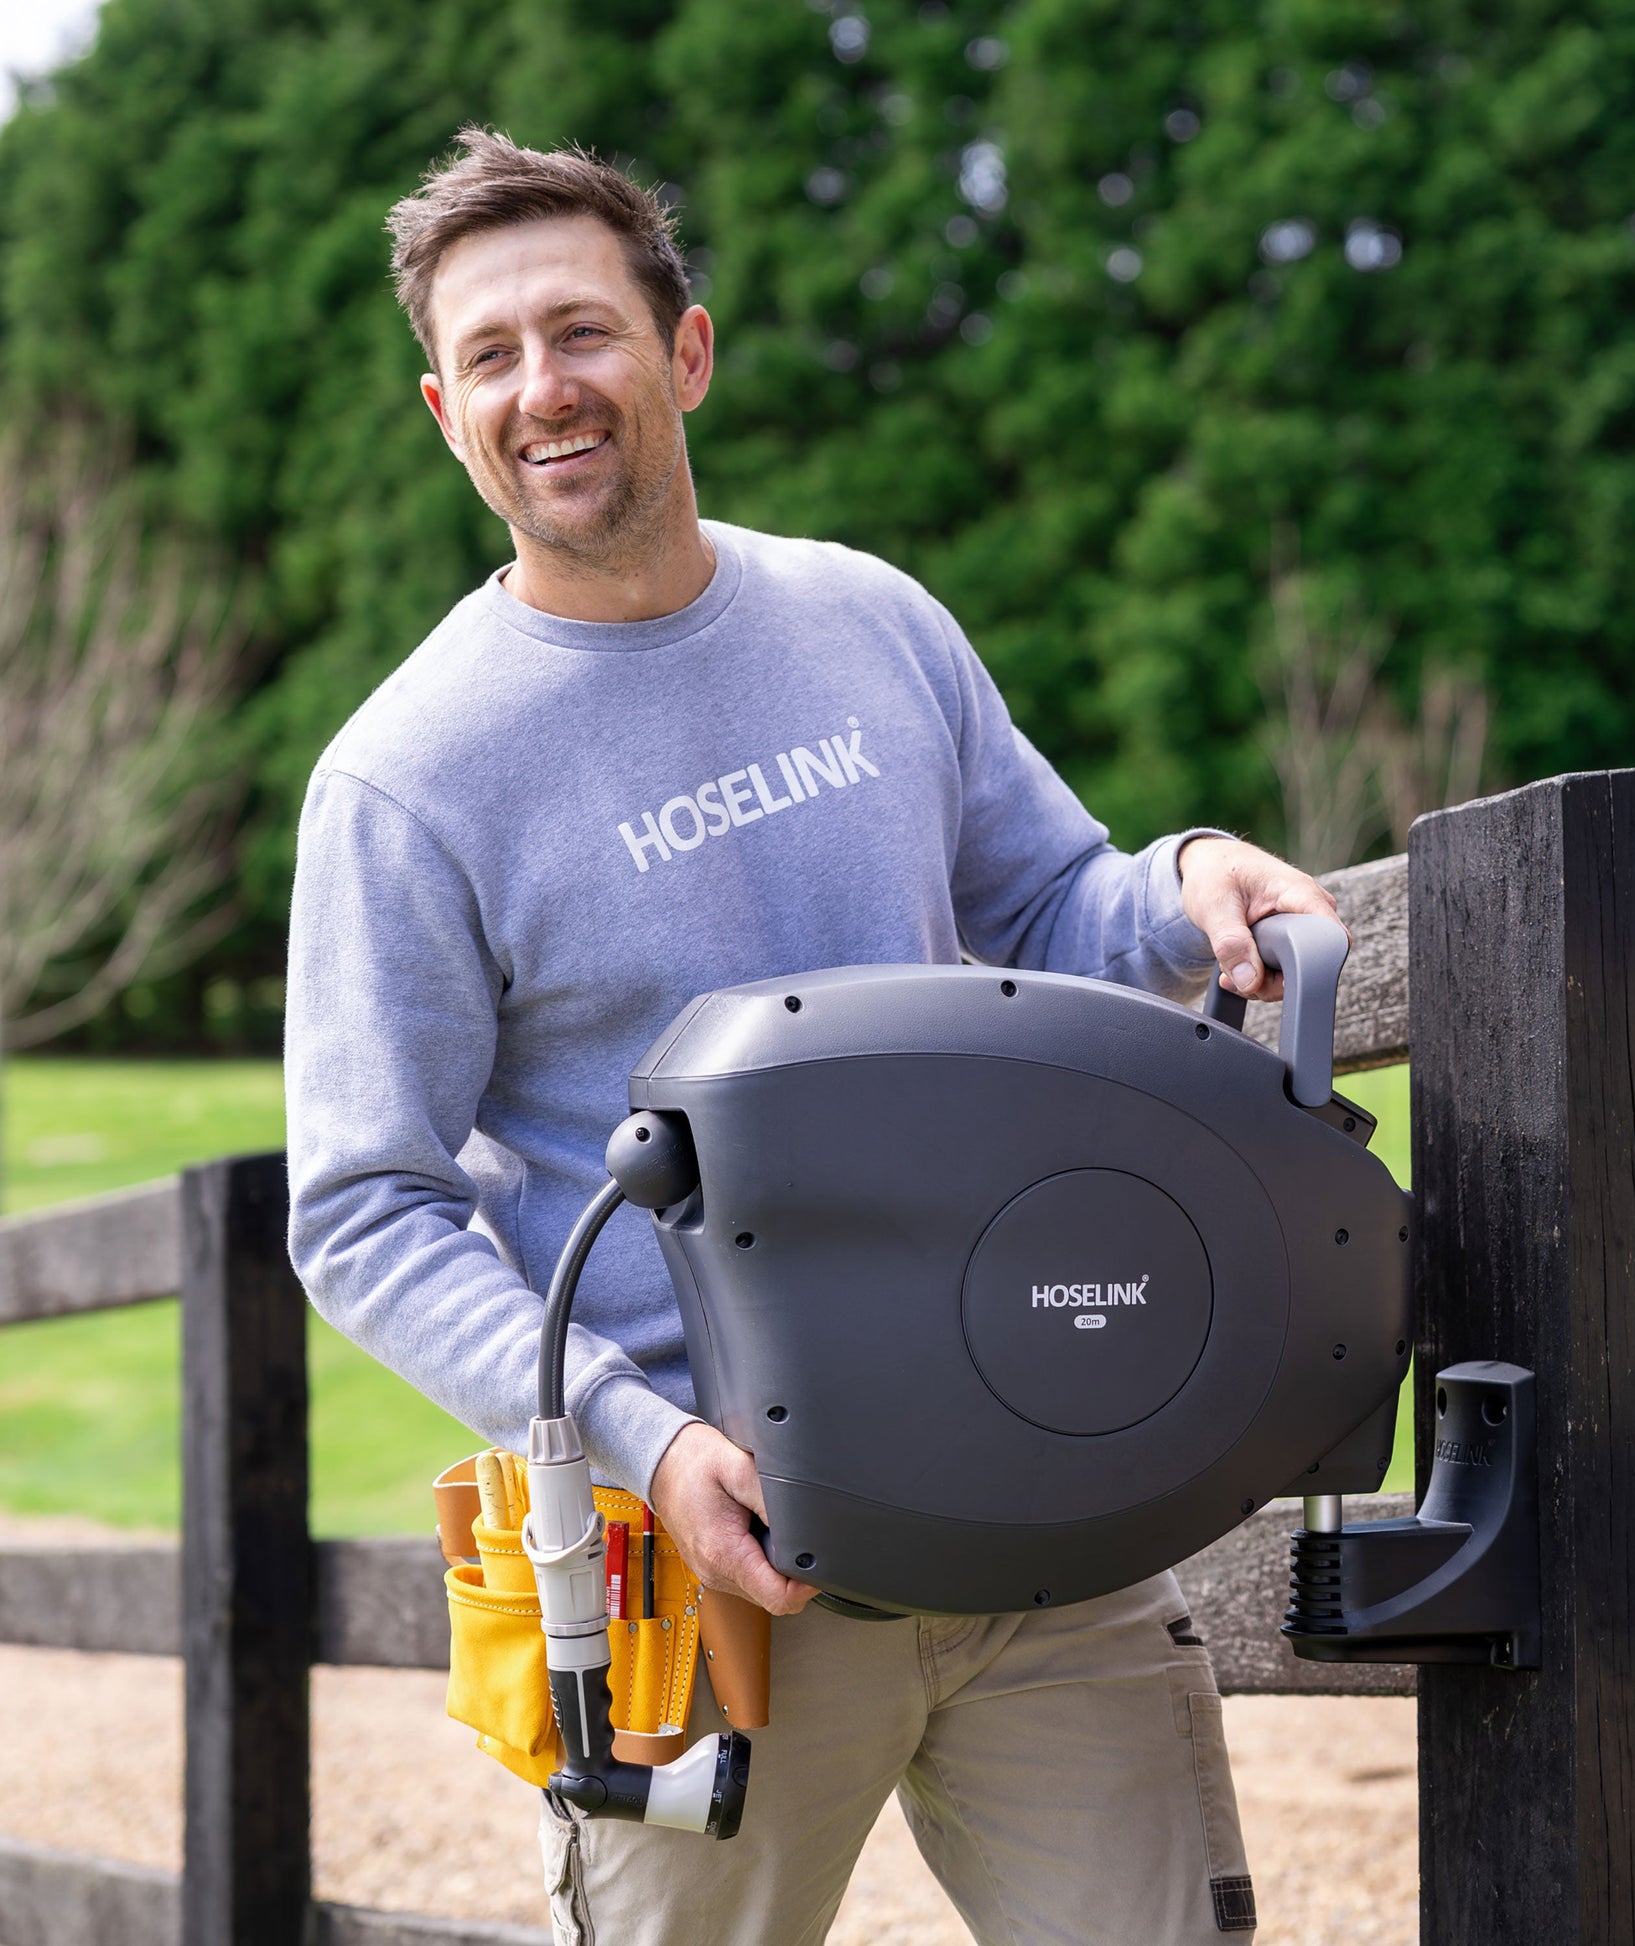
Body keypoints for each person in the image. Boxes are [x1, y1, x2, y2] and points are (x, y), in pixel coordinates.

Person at [286, 128, 1343, 1946]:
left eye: (582, 331)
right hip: (716, 1566)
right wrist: (636, 1440)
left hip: (1042, 1483)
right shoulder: (406, 780)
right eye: (490, 357)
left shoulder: (871, 620)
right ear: (443, 410)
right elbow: (362, 1205)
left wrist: (1187, 885)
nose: (544, 388)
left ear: (683, 354)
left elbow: (1047, 916)